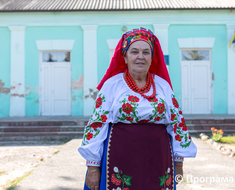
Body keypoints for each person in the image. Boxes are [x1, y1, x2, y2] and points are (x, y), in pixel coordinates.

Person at [78, 27, 197, 190]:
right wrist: (92, 168)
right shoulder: (112, 85)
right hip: (119, 159)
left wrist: (179, 163)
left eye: (146, 52)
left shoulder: (163, 86)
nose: (140, 56)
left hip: (158, 160)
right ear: (125, 57)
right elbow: (97, 125)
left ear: (152, 58)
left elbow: (177, 124)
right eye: (134, 51)